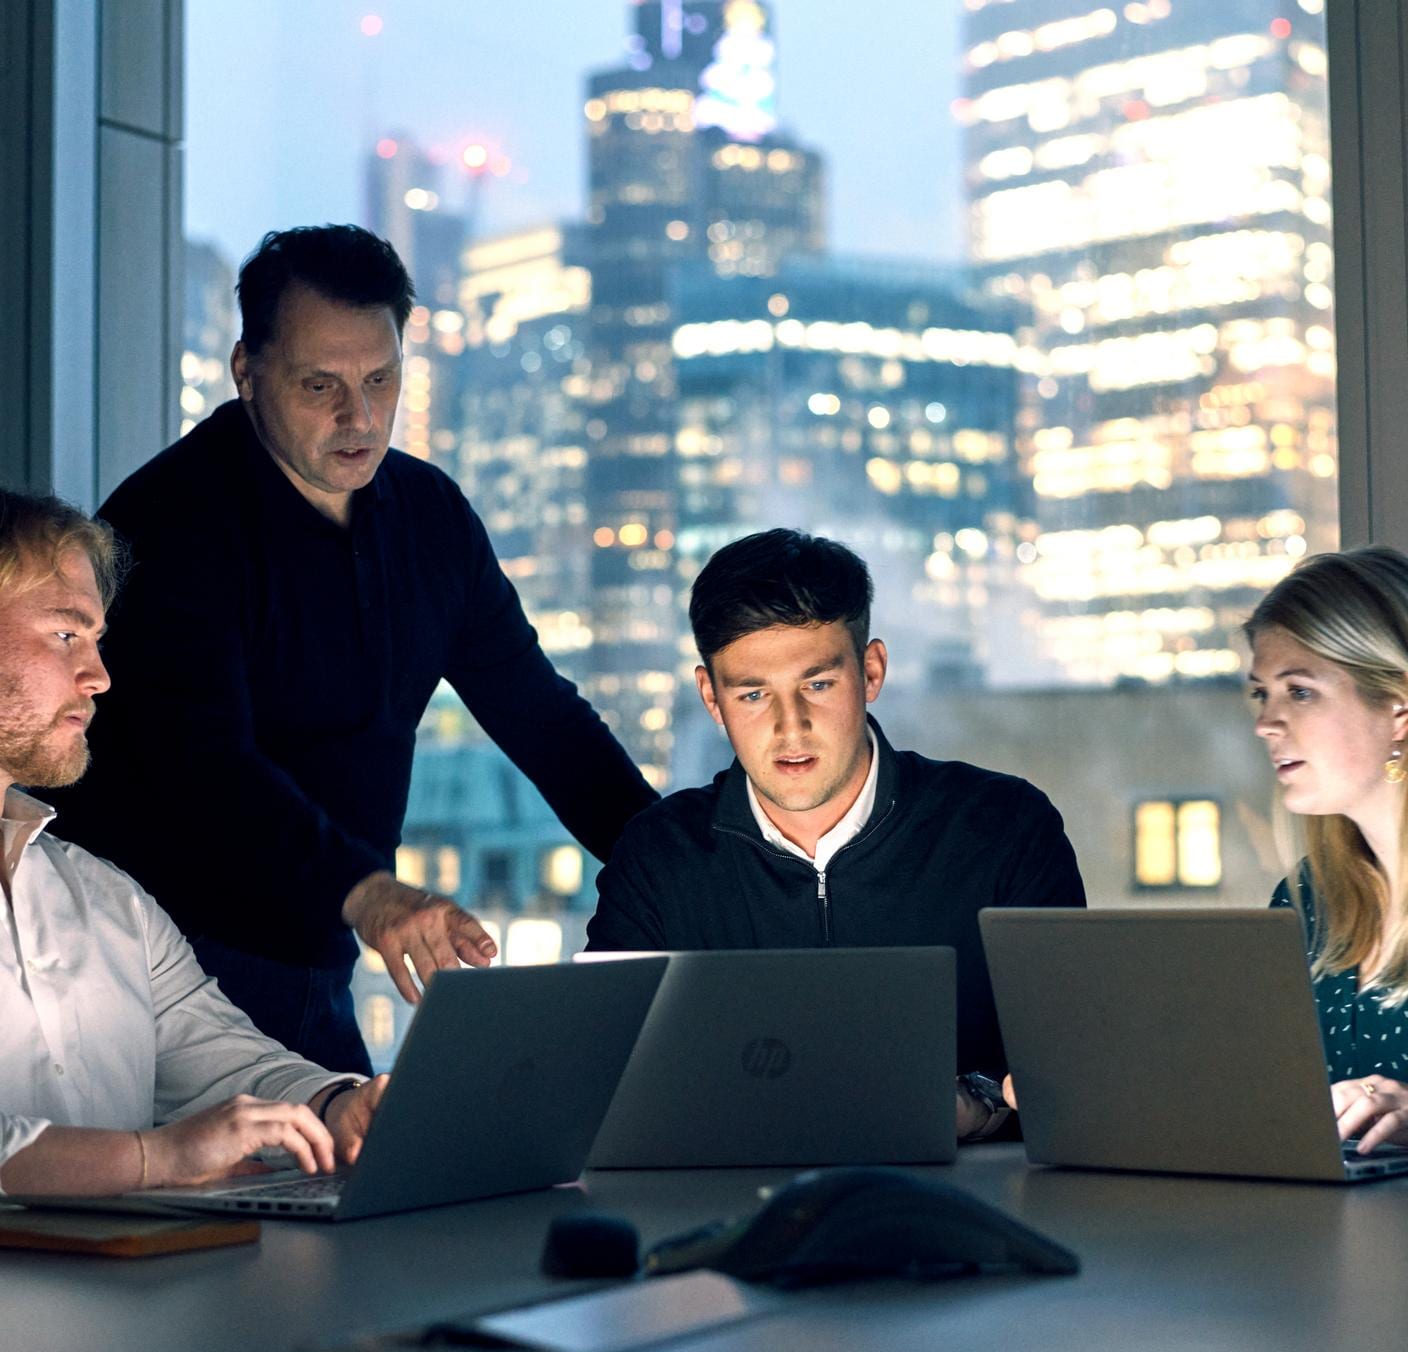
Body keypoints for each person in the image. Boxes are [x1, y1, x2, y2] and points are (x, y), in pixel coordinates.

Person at [51, 224, 657, 1074]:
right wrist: (371, 893)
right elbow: (206, 767)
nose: (360, 417)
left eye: (381, 379)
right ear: (246, 372)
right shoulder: (171, 523)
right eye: (319, 385)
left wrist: (667, 859)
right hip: (164, 963)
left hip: (327, 947)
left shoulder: (430, 514)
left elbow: (541, 715)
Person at [586, 529, 1086, 1139]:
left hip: (970, 1204)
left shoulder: (1006, 829)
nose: (788, 727)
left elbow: (1075, 1066)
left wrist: (968, 1106)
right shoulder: (658, 859)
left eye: (817, 685)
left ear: (871, 671)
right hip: (728, 1210)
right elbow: (601, 1082)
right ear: (711, 699)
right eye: (752, 694)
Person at [0, 490, 386, 1196]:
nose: (100, 677)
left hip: (129, 1296)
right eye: (65, 635)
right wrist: (155, 1160)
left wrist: (338, 1106)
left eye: (98, 640)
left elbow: (227, 1062)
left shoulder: (108, 901)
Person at [1246, 545, 1408, 1155]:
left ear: (1399, 706)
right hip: (1320, 1234)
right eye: (1262, 693)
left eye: (1301, 692)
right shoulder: (1308, 899)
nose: (1266, 722)